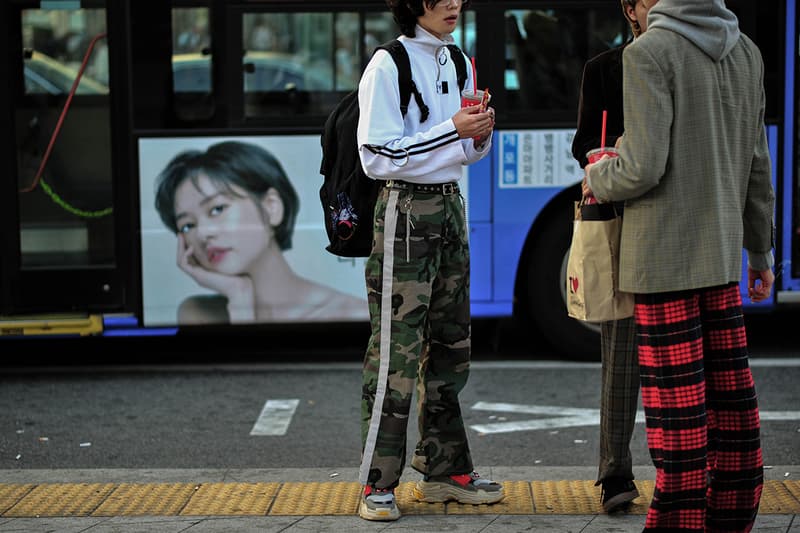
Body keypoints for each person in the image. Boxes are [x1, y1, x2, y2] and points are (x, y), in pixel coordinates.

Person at [583, 0, 775, 530]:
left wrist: (600, 172)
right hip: (721, 257)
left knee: (680, 417)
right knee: (731, 405)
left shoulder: (648, 53)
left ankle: (678, 521)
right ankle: (732, 517)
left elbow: (642, 168)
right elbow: (758, 163)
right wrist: (761, 252)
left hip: (662, 260)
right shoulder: (748, 52)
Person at [355, 0, 502, 522]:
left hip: (450, 207)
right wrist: (455, 130)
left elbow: (465, 152)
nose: (454, 4)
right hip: (404, 208)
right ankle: (377, 483)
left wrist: (479, 133)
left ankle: (444, 470)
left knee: (452, 345)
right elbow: (375, 155)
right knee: (396, 349)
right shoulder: (387, 64)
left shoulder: (459, 59)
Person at [571, 0, 653, 514]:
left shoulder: (691, 61)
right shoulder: (605, 69)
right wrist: (601, 158)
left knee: (688, 360)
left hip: (674, 224)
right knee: (621, 355)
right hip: (623, 223)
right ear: (630, 10)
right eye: (651, 0)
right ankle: (614, 472)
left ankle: (688, 466)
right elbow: (584, 141)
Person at [154, 140, 369, 325]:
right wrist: (240, 300)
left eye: (217, 209)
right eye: (187, 225)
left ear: (271, 207)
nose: (202, 234)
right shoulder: (197, 313)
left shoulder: (350, 311)